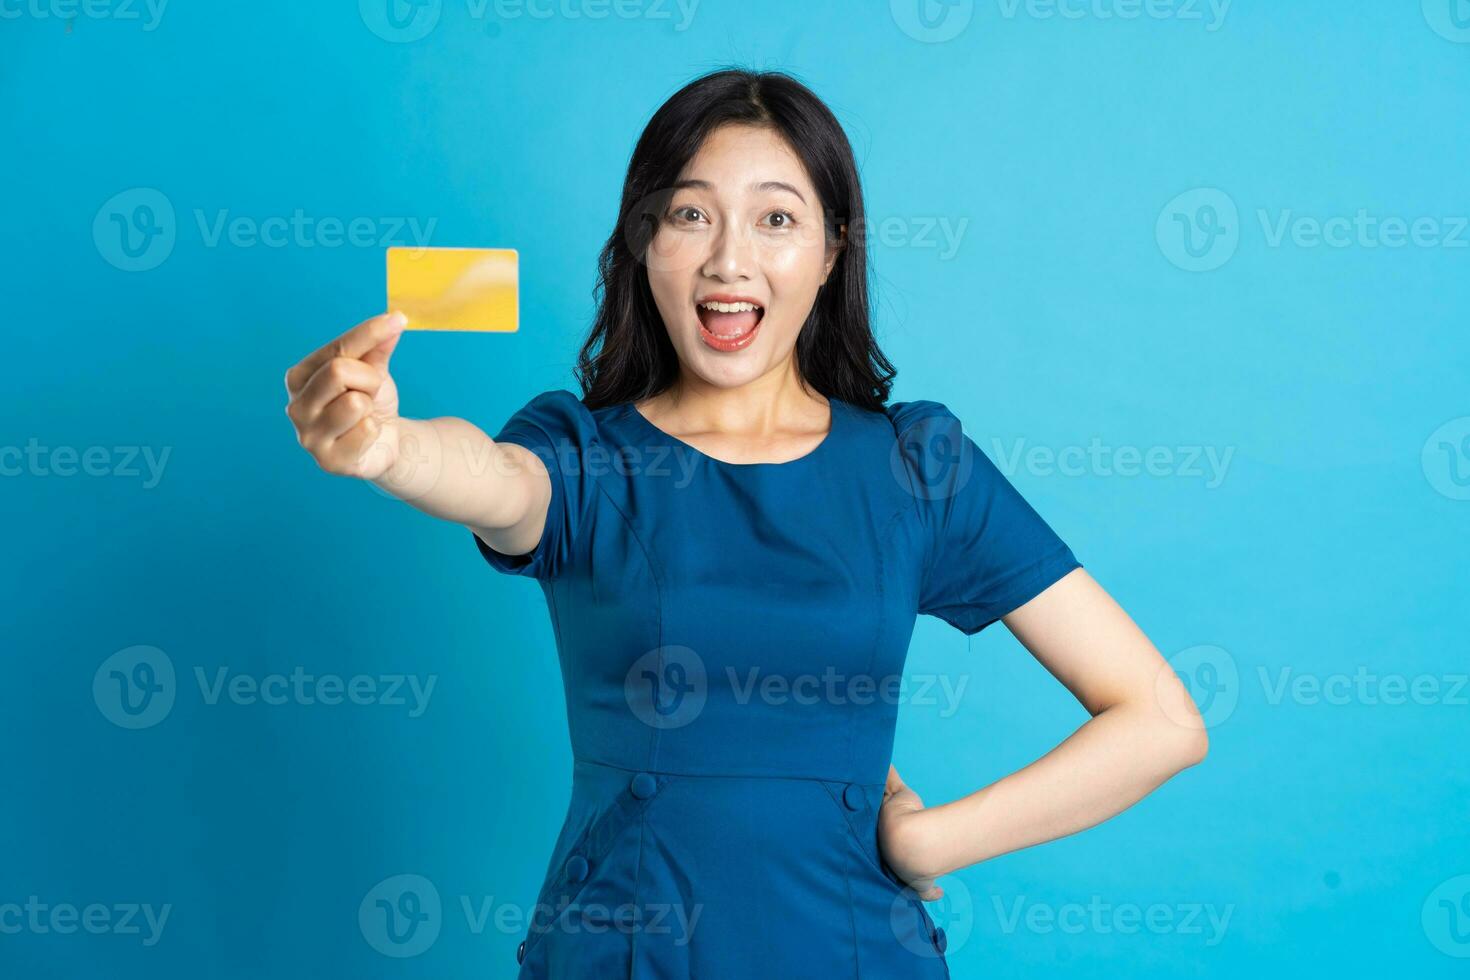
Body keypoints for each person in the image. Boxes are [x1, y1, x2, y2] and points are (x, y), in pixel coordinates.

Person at [283, 67, 1208, 978]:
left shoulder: (916, 468)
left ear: (834, 250)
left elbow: (1160, 717)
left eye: (777, 218)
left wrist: (935, 844)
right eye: (690, 214)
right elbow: (492, 478)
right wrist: (387, 450)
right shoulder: (587, 459)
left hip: (850, 953)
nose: (729, 260)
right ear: (643, 244)